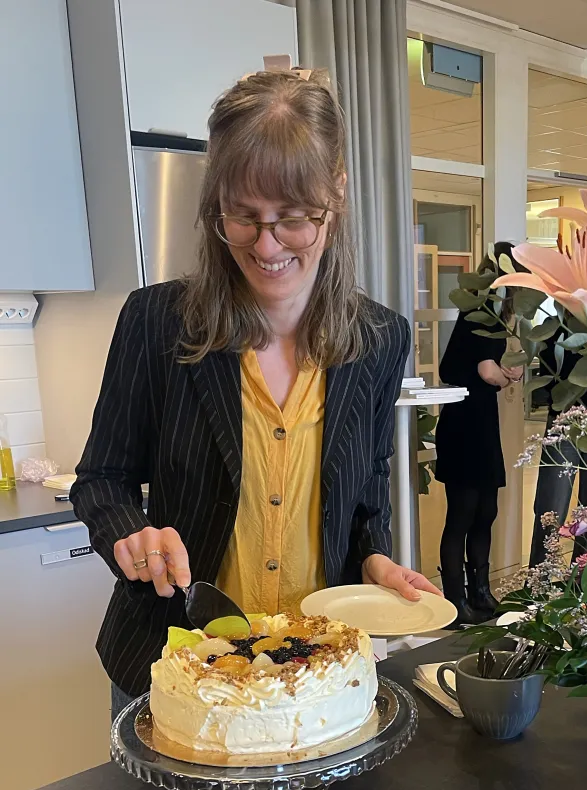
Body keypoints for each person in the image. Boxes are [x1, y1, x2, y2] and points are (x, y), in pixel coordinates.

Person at [71, 68, 437, 716]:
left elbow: (366, 494)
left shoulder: (380, 340)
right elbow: (101, 479)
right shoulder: (157, 324)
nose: (266, 246)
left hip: (313, 673)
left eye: (293, 220)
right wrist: (130, 534)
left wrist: (376, 559)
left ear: (338, 195)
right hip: (175, 667)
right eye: (242, 217)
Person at [433, 243, 525, 625]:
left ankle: (481, 593)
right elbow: (488, 372)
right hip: (465, 425)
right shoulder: (480, 314)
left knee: (484, 511)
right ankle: (455, 601)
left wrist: (504, 375)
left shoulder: (485, 313)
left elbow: (488, 371)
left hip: (479, 423)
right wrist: (509, 376)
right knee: (464, 514)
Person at [528, 311, 587, 566]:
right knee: (550, 505)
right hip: (564, 422)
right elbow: (551, 376)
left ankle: (584, 578)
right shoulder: (554, 326)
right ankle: (540, 578)